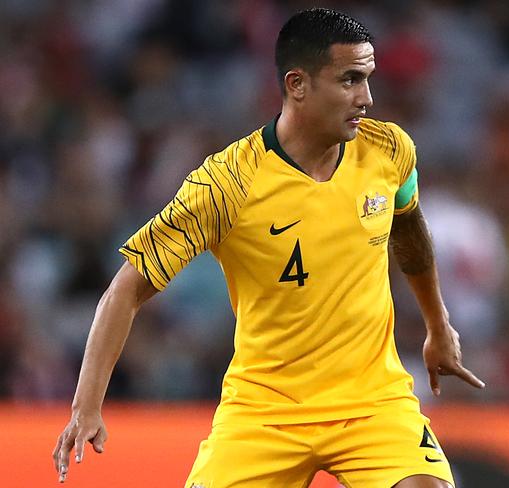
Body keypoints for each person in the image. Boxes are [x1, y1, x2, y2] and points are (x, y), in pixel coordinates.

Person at [53, 8, 484, 488]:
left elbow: (408, 229)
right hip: (265, 410)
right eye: (349, 80)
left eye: (367, 79)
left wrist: (437, 324)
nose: (367, 97)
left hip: (372, 403)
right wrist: (86, 405)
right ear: (297, 84)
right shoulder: (227, 184)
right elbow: (124, 291)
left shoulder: (389, 151)